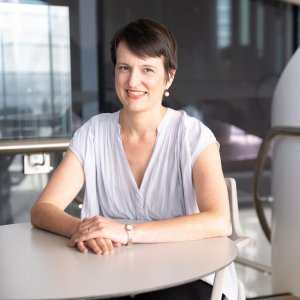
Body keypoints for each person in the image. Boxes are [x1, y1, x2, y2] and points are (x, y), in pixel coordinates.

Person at [31, 18, 236, 300]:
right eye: (124, 67)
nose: (132, 81)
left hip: (186, 273)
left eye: (147, 69)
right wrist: (85, 229)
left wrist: (125, 232)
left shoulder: (193, 136)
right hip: (110, 274)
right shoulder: (93, 133)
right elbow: (43, 209)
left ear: (169, 76)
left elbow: (217, 221)